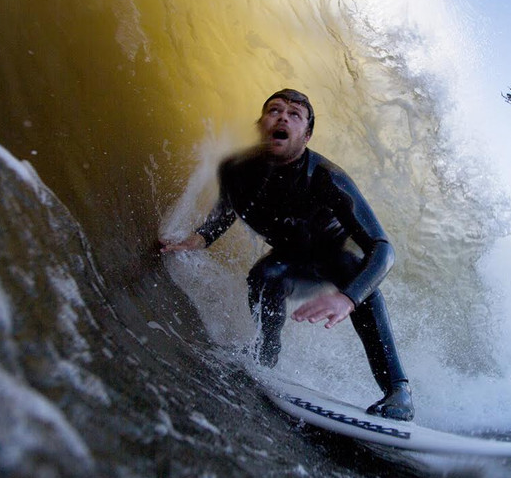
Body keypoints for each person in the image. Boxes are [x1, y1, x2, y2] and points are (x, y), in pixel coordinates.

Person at [161, 89, 414, 421]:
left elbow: (383, 249)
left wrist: (347, 299)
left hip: (336, 257)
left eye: (295, 115)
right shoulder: (236, 170)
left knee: (356, 275)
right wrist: (195, 241)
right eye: (274, 111)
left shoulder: (327, 178)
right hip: (293, 259)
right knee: (263, 278)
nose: (282, 117)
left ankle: (398, 392)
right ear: (261, 124)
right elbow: (225, 214)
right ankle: (266, 362)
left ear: (306, 136)